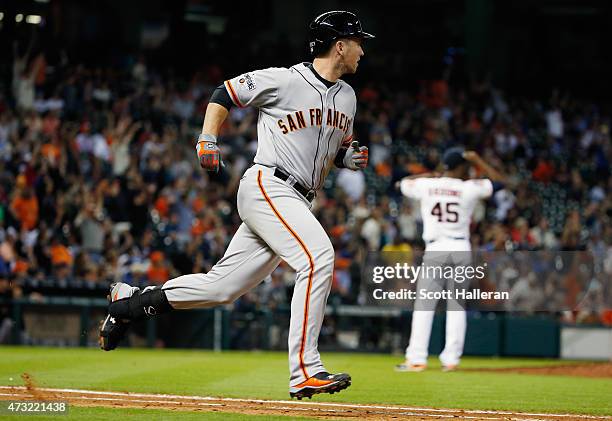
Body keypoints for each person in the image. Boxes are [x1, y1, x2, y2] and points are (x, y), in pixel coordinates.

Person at [99, 10, 374, 400]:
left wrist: (346, 157)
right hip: (268, 185)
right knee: (317, 258)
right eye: (359, 42)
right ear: (340, 45)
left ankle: (128, 303)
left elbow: (332, 145)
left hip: (296, 198)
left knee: (222, 288)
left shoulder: (348, 97)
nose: (363, 50)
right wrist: (207, 138)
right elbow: (224, 93)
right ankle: (306, 370)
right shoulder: (284, 79)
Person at [395, 148, 506, 372]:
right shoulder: (468, 188)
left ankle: (416, 358)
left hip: (436, 248)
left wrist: (429, 176)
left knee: (425, 305)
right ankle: (451, 360)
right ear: (462, 167)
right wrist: (479, 160)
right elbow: (501, 183)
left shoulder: (428, 185)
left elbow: (400, 184)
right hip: (460, 247)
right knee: (456, 306)